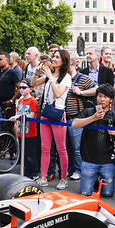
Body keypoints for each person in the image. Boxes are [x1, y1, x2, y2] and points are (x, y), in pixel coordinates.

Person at [71, 84, 115, 197]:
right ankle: (93, 180)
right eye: (100, 96)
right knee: (85, 193)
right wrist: (93, 118)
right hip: (89, 159)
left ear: (111, 99)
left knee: (108, 193)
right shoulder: (88, 111)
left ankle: (97, 180)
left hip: (107, 160)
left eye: (106, 97)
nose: (102, 99)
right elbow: (74, 124)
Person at [37, 49, 71, 190]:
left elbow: (58, 94)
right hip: (46, 114)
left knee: (61, 148)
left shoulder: (66, 77)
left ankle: (63, 177)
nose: (54, 59)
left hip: (57, 114)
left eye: (57, 57)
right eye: (54, 56)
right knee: (45, 148)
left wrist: (50, 78)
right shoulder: (50, 75)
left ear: (63, 61)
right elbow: (33, 83)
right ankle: (43, 177)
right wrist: (37, 73)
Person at [65, 52, 97, 180]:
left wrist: (81, 92)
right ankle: (70, 169)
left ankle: (78, 170)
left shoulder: (83, 78)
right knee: (66, 147)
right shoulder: (62, 79)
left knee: (76, 147)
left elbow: (97, 89)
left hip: (76, 117)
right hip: (63, 118)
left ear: (73, 65)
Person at [12, 81, 40, 180]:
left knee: (30, 154)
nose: (21, 89)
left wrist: (18, 116)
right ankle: (26, 171)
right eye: (20, 87)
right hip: (21, 130)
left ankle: (34, 172)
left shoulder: (33, 101)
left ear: (30, 89)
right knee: (23, 153)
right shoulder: (19, 101)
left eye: (24, 87)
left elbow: (31, 116)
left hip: (30, 132)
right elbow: (18, 113)